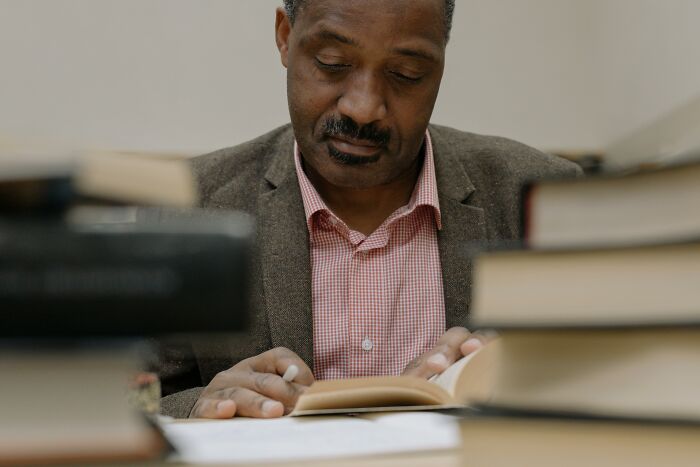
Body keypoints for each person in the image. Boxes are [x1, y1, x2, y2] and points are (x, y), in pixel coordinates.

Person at [157, 0, 581, 419]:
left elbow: (612, 380)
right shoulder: (185, 209)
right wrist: (199, 407)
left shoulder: (541, 198)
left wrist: (517, 377)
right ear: (285, 37)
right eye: (333, 62)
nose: (363, 108)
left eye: (405, 74)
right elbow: (124, 402)